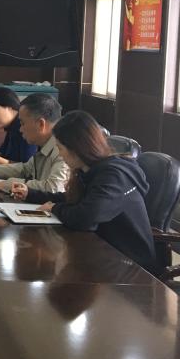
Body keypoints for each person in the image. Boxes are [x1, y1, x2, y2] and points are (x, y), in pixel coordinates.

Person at [20, 110, 157, 273]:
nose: (60, 155)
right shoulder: (88, 170)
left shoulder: (114, 175)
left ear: (77, 149)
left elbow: (85, 217)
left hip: (131, 266)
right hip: (103, 253)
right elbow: (73, 200)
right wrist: (31, 194)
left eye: (60, 148)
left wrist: (55, 208)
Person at [0, 93, 68, 195]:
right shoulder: (44, 145)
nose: (20, 129)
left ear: (41, 124)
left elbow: (54, 187)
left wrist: (9, 184)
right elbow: (25, 169)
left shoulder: (64, 149)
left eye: (22, 123)